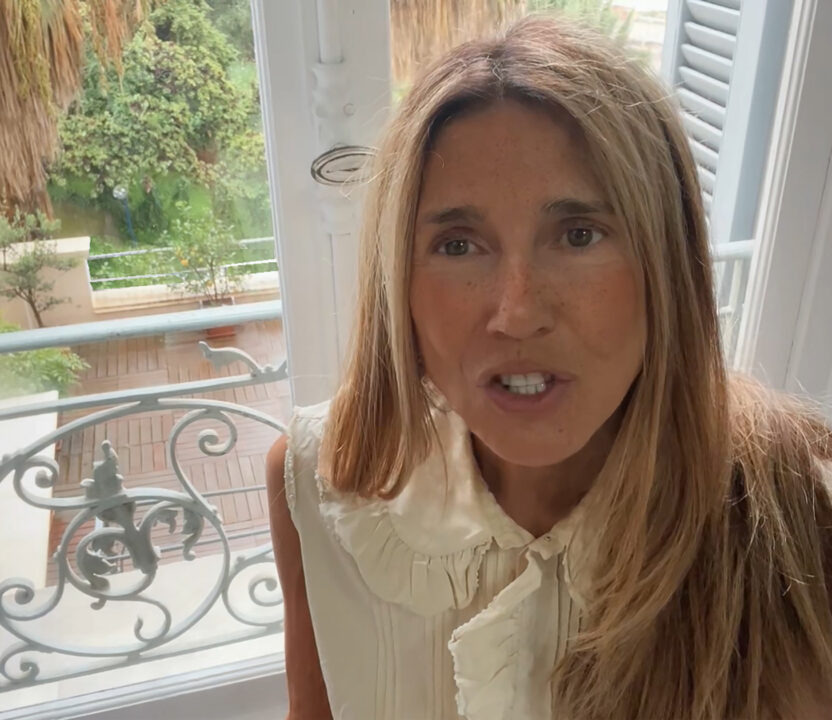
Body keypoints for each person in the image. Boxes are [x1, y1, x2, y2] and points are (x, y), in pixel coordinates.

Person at [264, 14, 832, 720]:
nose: (517, 312)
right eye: (458, 245)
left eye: (579, 235)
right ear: (397, 283)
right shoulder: (318, 481)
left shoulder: (798, 519)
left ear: (667, 265)